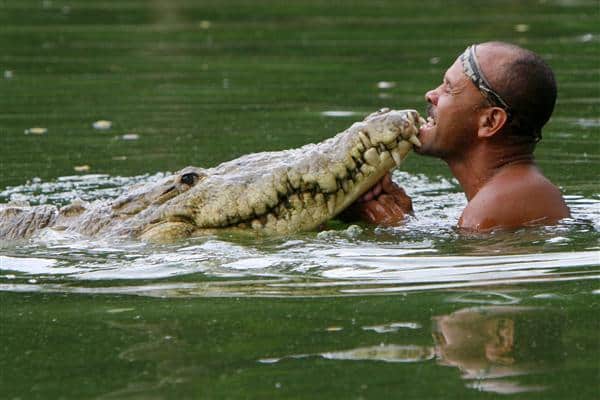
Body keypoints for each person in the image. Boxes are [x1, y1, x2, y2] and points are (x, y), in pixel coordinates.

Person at [354, 41, 571, 231]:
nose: (431, 95)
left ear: (490, 122)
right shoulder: (515, 193)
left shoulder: (492, 208)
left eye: (449, 89)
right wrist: (406, 220)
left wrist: (395, 231)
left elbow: (478, 269)